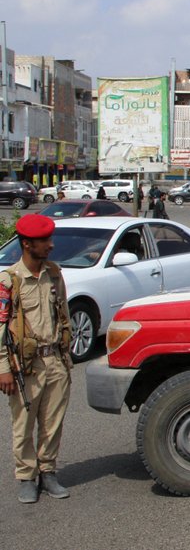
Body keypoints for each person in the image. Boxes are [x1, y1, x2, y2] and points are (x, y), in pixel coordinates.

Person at [0, 215, 73, 504]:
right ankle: (26, 477)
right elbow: (1, 328)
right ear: (27, 244)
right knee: (23, 425)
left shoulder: (54, 274)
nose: (51, 245)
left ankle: (48, 472)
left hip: (55, 360)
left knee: (52, 423)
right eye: (45, 241)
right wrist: (4, 369)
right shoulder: (9, 281)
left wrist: (66, 357)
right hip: (25, 366)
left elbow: (64, 314)